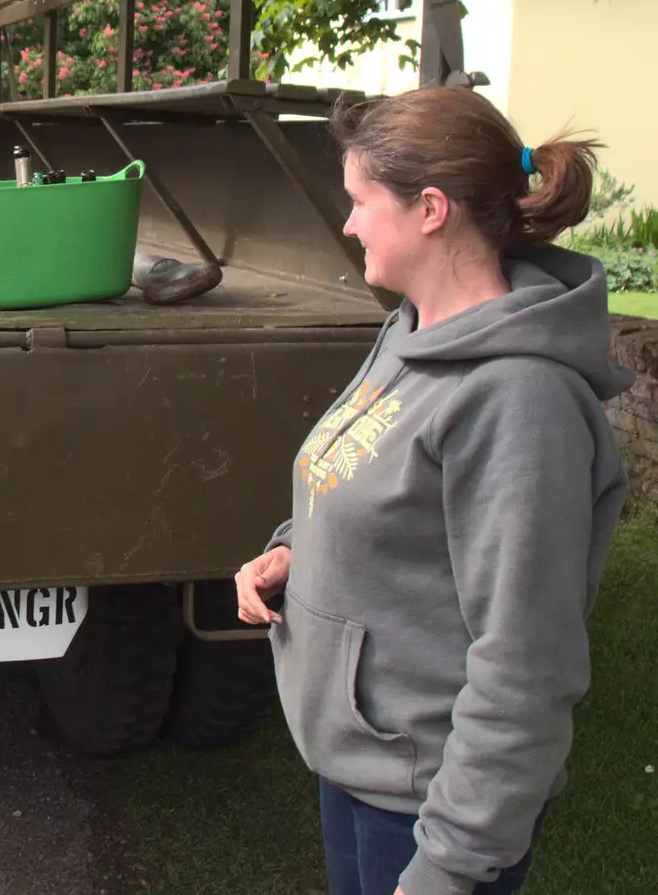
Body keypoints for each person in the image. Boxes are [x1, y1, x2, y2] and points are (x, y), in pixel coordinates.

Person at [232, 86, 633, 895]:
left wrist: (449, 864)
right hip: (360, 766)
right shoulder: (411, 329)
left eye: (359, 202)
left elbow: (527, 666)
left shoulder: (521, 402)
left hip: (430, 810)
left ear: (432, 211)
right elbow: (357, 476)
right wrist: (290, 551)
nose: (347, 225)